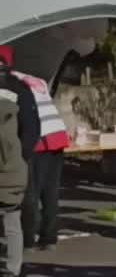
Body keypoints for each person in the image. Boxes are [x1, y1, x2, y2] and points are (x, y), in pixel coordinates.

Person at [0, 46, 38, 277]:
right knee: (10, 219)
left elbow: (30, 132)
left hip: (8, 166)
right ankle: (9, 271)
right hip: (11, 164)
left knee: (9, 218)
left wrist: (16, 158)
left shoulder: (17, 90)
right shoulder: (21, 89)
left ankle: (10, 271)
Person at [19, 67, 68, 253]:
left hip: (39, 138)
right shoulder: (34, 79)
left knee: (31, 190)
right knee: (50, 189)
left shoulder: (12, 85)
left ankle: (28, 239)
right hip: (57, 134)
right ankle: (49, 237)